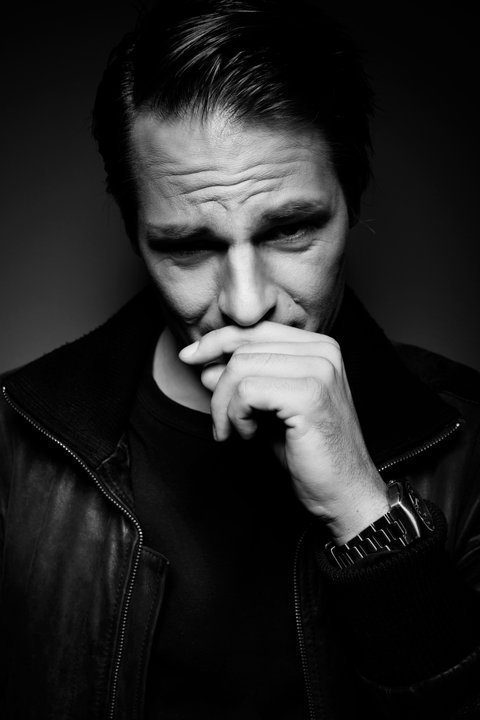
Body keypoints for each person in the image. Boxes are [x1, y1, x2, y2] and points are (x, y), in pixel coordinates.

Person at [1, 1, 479, 718]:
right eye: (189, 246)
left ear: (352, 205)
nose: (247, 304)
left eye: (290, 230)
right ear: (135, 235)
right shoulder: (14, 442)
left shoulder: (470, 443)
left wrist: (363, 512)